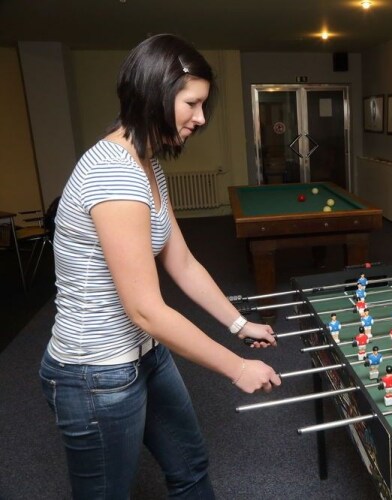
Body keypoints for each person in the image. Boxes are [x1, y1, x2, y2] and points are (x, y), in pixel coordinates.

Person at [38, 34, 281, 498]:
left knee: (190, 467)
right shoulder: (113, 171)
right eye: (192, 103)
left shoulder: (147, 165)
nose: (201, 118)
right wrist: (236, 368)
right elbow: (145, 309)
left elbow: (183, 262)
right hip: (95, 374)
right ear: (154, 94)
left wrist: (239, 323)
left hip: (145, 352)